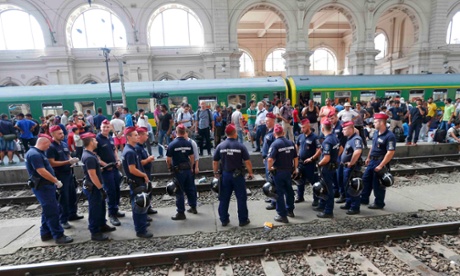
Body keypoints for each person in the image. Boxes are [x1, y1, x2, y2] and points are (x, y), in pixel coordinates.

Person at [25, 135, 73, 244]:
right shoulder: (35, 154)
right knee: (53, 211)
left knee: (47, 210)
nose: (48, 147)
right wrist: (55, 181)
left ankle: (46, 233)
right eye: (48, 145)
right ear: (44, 143)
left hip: (45, 186)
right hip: (43, 187)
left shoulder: (36, 153)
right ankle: (58, 235)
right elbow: (41, 171)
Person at [213, 124, 254, 227]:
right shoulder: (240, 146)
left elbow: (215, 161)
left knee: (224, 198)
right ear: (235, 133)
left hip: (225, 175)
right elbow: (247, 162)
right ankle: (243, 220)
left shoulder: (220, 146)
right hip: (238, 176)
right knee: (241, 198)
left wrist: (216, 172)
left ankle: (224, 220)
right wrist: (250, 173)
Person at [81, 132, 116, 241]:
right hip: (94, 188)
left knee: (101, 207)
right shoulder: (90, 157)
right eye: (95, 140)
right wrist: (101, 189)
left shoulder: (91, 155)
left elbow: (94, 170)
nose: (97, 142)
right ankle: (95, 231)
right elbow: (92, 175)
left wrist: (101, 169)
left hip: (95, 186)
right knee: (95, 209)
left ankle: (102, 225)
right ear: (91, 142)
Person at [47, 125, 82, 229]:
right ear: (52, 135)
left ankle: (72, 214)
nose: (62, 135)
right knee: (64, 197)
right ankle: (63, 219)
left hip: (69, 173)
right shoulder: (50, 147)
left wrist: (72, 159)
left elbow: (67, 155)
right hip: (59, 175)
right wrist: (68, 162)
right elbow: (51, 163)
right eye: (59, 133)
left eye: (62, 133)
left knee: (72, 195)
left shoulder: (63, 144)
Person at [121, 127, 153, 238]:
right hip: (136, 182)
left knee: (140, 204)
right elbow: (132, 169)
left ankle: (142, 224)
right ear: (128, 137)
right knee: (139, 205)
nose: (138, 136)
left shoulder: (131, 149)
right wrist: (144, 175)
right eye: (135, 135)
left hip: (136, 181)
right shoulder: (130, 152)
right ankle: (140, 230)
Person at [361, 113, 396, 209]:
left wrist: (381, 165)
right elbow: (373, 146)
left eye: (375, 122)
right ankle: (364, 198)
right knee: (366, 179)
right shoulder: (376, 133)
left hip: (380, 161)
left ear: (381, 122)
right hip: (372, 160)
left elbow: (390, 152)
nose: (373, 123)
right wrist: (368, 157)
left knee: (378, 184)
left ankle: (379, 203)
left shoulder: (390, 136)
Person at [96, 119, 125, 226]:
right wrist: (105, 165)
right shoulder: (97, 139)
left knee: (117, 189)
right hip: (106, 170)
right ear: (100, 127)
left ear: (110, 128)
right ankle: (112, 214)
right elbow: (96, 156)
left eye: (107, 127)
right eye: (104, 127)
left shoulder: (110, 138)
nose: (106, 129)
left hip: (114, 168)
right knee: (110, 191)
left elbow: (114, 150)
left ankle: (116, 209)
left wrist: (117, 160)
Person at [267, 124, 298, 223]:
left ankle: (282, 215)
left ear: (274, 133)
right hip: (288, 171)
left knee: (279, 193)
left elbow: (270, 159)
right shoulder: (290, 143)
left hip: (278, 172)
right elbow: (295, 157)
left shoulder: (275, 144)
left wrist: (269, 168)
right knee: (289, 191)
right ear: (283, 133)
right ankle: (290, 210)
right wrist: (295, 169)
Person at [166, 124, 197, 220]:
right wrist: (191, 166)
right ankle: (193, 207)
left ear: (176, 132)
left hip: (178, 171)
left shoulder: (172, 144)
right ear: (184, 132)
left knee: (179, 191)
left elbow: (168, 159)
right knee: (190, 188)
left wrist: (169, 167)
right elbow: (192, 157)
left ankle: (181, 213)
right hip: (187, 169)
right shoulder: (189, 143)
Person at [315, 119, 340, 218]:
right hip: (333, 167)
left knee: (328, 189)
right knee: (328, 188)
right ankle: (323, 206)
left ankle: (328, 211)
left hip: (327, 168)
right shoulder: (335, 138)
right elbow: (340, 149)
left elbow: (326, 158)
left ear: (322, 129)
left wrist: (319, 164)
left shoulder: (327, 141)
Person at [339, 121, 363, 215]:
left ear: (350, 129)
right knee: (347, 185)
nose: (342, 131)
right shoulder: (350, 138)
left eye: (344, 129)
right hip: (347, 167)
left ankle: (355, 207)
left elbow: (357, 151)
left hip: (353, 168)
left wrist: (351, 163)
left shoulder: (356, 139)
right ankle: (349, 203)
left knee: (353, 186)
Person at [295, 118, 321, 205]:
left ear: (308, 126)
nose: (302, 129)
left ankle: (316, 199)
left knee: (314, 181)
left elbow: (319, 150)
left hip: (310, 163)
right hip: (301, 163)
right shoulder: (300, 136)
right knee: (300, 180)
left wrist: (312, 158)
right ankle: (300, 196)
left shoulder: (314, 137)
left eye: (304, 128)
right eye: (301, 128)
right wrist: (296, 155)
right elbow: (297, 146)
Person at [135, 127, 157, 215]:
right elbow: (139, 163)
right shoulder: (137, 148)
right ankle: (144, 212)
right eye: (145, 134)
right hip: (142, 174)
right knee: (144, 192)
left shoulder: (141, 146)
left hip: (147, 172)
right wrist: (148, 159)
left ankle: (148, 207)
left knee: (148, 191)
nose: (147, 136)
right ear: (140, 136)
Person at [262, 112, 277, 210]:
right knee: (269, 179)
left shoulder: (274, 133)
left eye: (268, 121)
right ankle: (271, 197)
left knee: (272, 181)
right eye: (265, 120)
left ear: (273, 121)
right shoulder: (269, 132)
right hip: (267, 159)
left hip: (271, 160)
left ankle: (274, 201)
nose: (266, 122)